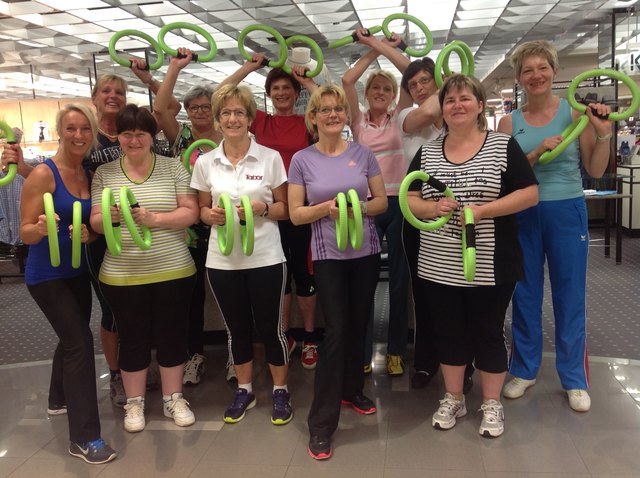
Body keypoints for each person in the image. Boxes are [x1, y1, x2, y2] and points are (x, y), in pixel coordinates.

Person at [406, 74, 538, 438]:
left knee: (487, 331)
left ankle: (491, 403)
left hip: (491, 262)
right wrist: (434, 207)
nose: (458, 105)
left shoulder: (502, 145)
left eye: (465, 99)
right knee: (449, 331)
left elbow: (529, 194)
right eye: (450, 101)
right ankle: (453, 397)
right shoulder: (429, 150)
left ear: (480, 105)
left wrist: (484, 211)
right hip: (438, 260)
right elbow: (410, 197)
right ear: (442, 110)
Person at [498, 40, 612, 412]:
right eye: (527, 70)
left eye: (541, 68)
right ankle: (525, 369)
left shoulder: (574, 113)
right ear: (518, 78)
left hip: (566, 210)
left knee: (569, 294)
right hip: (524, 212)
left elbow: (595, 170)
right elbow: (504, 179)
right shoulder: (507, 122)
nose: (535, 76)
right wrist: (533, 153)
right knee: (525, 293)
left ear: (554, 71)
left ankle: (574, 379)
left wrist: (603, 133)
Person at [288, 85, 388, 459]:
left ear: (346, 115)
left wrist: (357, 209)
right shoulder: (302, 159)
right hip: (328, 254)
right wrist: (326, 209)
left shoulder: (363, 153)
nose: (332, 115)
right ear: (313, 117)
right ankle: (321, 424)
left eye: (338, 109)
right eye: (324, 109)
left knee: (359, 323)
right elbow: (297, 213)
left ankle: (352, 390)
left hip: (366, 251)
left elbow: (379, 202)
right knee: (336, 332)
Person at [89, 104, 198, 433]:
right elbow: (95, 221)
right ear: (118, 136)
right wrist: (117, 215)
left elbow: (190, 212)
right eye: (126, 134)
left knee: (171, 334)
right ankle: (134, 403)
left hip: (174, 268)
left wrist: (153, 219)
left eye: (140, 134)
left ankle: (173, 397)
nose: (133, 140)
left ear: (152, 136)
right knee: (133, 337)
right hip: (122, 274)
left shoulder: (174, 168)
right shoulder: (105, 173)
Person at [17, 103, 116, 464]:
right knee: (79, 343)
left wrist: (87, 234)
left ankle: (57, 397)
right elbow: (25, 231)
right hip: (46, 277)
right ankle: (85, 437)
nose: (78, 136)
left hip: (77, 272)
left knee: (69, 337)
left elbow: (87, 230)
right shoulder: (44, 175)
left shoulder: (87, 173)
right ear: (60, 131)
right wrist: (40, 229)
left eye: (85, 130)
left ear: (92, 134)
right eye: (71, 129)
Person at [190, 84, 292, 425]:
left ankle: (280, 391)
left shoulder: (270, 158)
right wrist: (210, 216)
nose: (232, 119)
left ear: (250, 118)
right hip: (222, 260)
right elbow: (201, 211)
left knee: (271, 327)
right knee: (237, 329)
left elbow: (285, 209)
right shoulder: (206, 162)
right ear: (218, 120)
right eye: (226, 113)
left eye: (239, 113)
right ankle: (245, 388)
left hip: (265, 257)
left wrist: (263, 208)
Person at [86, 68, 180, 407]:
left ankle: (167, 388)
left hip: (164, 257)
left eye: (119, 91)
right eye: (106, 90)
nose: (112, 96)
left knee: (162, 325)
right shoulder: (88, 139)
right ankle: (121, 382)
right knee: (117, 319)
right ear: (95, 97)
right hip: (110, 249)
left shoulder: (167, 163)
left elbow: (168, 108)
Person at [220, 56, 320, 369]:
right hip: (270, 210)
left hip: (301, 209)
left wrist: (304, 79)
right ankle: (284, 335)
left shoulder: (307, 120)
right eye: (275, 88)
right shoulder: (260, 121)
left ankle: (310, 338)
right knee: (280, 276)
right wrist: (250, 66)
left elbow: (326, 103)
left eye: (286, 88)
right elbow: (224, 91)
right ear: (268, 92)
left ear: (295, 92)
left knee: (305, 276)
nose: (281, 93)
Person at [398, 58, 476, 391]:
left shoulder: (461, 125)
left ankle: (467, 365)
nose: (419, 87)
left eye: (425, 81)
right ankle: (427, 361)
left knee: (466, 291)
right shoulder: (406, 117)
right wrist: (444, 87)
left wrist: (449, 95)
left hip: (462, 218)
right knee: (426, 292)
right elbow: (429, 113)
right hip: (418, 216)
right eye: (412, 84)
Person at [342, 29, 413, 376]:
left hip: (400, 202)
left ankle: (397, 349)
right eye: (375, 88)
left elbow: (411, 72)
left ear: (394, 95)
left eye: (387, 88)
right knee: (365, 281)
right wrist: (372, 49)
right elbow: (347, 78)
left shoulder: (401, 117)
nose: (381, 93)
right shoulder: (356, 122)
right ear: (367, 95)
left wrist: (389, 47)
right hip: (368, 204)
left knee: (400, 280)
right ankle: (363, 353)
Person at [154, 47, 223, 386]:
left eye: (205, 107)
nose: (199, 113)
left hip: (223, 220)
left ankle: (234, 353)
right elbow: (159, 106)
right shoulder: (179, 137)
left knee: (230, 291)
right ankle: (195, 355)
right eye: (194, 108)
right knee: (192, 295)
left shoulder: (226, 137)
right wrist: (174, 68)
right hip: (189, 226)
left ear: (215, 110)